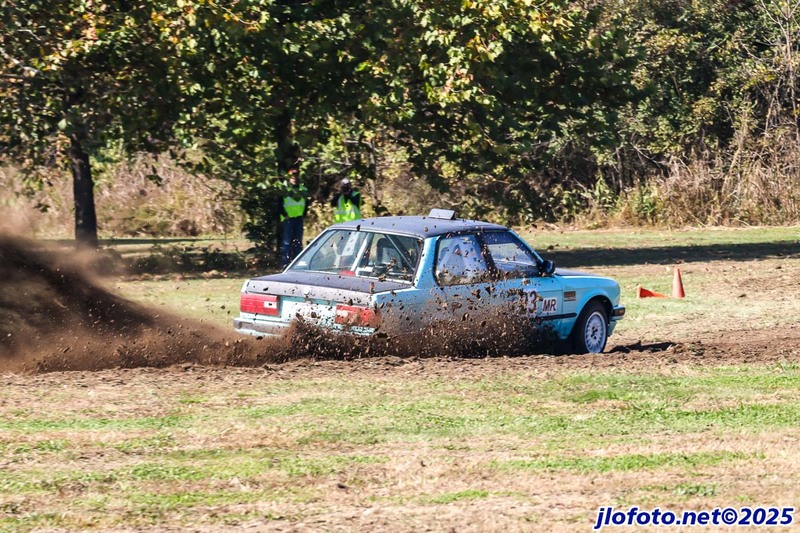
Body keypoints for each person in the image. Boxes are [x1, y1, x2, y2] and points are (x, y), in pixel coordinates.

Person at [280, 166, 308, 268]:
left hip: (299, 218)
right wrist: (284, 214)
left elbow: (306, 204)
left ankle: (297, 264)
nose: (294, 178)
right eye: (292, 176)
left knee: (298, 242)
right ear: (289, 177)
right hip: (288, 219)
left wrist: (304, 214)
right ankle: (285, 264)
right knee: (287, 242)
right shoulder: (284, 189)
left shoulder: (303, 189)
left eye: (296, 175)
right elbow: (279, 204)